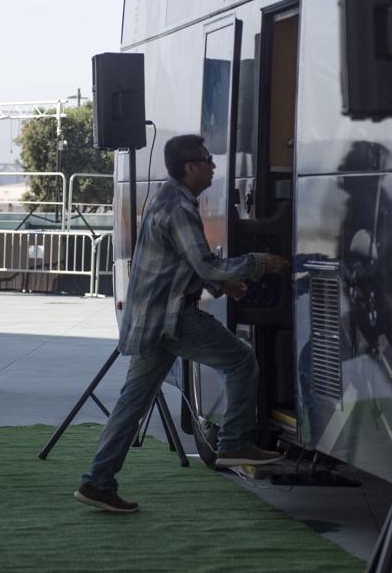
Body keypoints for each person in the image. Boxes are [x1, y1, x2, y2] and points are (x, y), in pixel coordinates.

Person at [75, 134, 290, 513]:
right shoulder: (179, 206)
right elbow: (204, 262)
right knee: (241, 360)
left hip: (150, 320)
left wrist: (221, 283)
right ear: (191, 167)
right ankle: (234, 443)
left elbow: (184, 262)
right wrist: (259, 263)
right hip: (171, 318)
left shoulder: (168, 197)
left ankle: (97, 482)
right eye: (207, 160)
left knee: (131, 405)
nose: (213, 166)